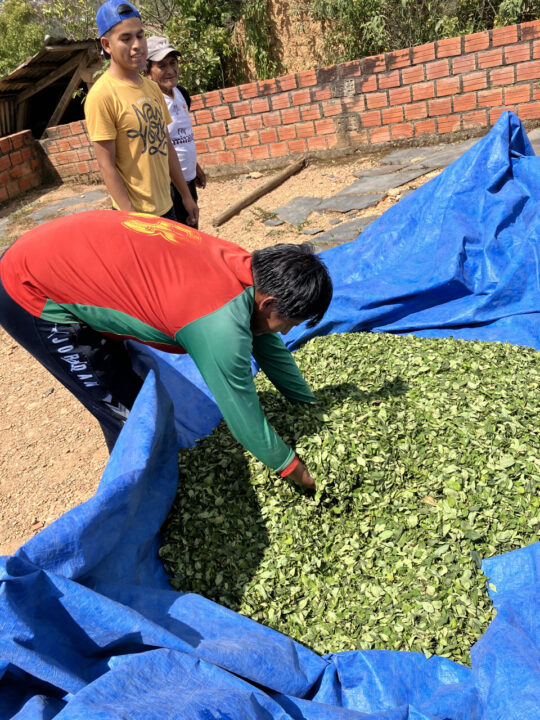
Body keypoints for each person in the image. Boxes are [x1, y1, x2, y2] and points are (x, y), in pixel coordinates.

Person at [0, 211, 333, 489]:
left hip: (65, 254)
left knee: (130, 384)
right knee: (127, 416)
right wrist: (301, 475)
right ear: (270, 301)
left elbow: (266, 342)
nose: (287, 331)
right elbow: (242, 411)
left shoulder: (247, 269)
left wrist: (306, 404)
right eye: (289, 322)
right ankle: (141, 508)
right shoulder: (217, 323)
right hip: (30, 286)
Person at [84, 0, 198, 224]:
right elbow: (107, 166)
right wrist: (133, 218)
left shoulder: (152, 88)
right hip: (138, 215)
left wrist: (185, 195)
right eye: (126, 39)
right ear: (107, 45)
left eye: (140, 35)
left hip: (168, 206)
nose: (137, 45)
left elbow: (166, 145)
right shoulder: (102, 96)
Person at [145, 36, 206, 228]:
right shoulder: (151, 103)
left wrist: (194, 167)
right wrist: (185, 196)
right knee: (179, 237)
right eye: (161, 66)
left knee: (193, 231)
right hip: (169, 186)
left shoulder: (181, 93)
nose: (170, 70)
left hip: (187, 179)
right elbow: (161, 148)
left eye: (173, 63)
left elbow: (182, 135)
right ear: (148, 72)